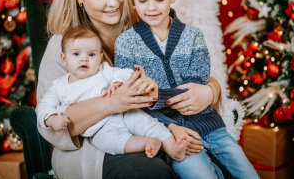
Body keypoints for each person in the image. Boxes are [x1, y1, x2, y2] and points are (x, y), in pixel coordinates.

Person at [37, 0, 222, 179]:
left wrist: (211, 90)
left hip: (154, 128)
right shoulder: (63, 45)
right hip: (93, 148)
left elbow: (189, 73)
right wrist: (112, 103)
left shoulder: (145, 26)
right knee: (147, 172)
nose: (113, 2)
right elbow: (53, 124)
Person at [114, 0, 259, 179]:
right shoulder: (126, 43)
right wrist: (166, 120)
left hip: (210, 125)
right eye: (142, 0)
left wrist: (155, 95)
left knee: (247, 173)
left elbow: (197, 84)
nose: (151, 7)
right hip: (169, 133)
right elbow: (133, 100)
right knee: (203, 175)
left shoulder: (193, 36)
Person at [36, 27, 187, 161]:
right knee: (111, 142)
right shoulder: (59, 86)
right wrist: (51, 119)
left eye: (91, 55)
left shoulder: (104, 71)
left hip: (125, 113)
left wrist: (117, 82)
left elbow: (125, 73)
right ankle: (146, 143)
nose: (84, 59)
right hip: (100, 128)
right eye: (76, 54)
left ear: (100, 57)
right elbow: (43, 107)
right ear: (64, 59)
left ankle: (172, 147)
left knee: (148, 123)